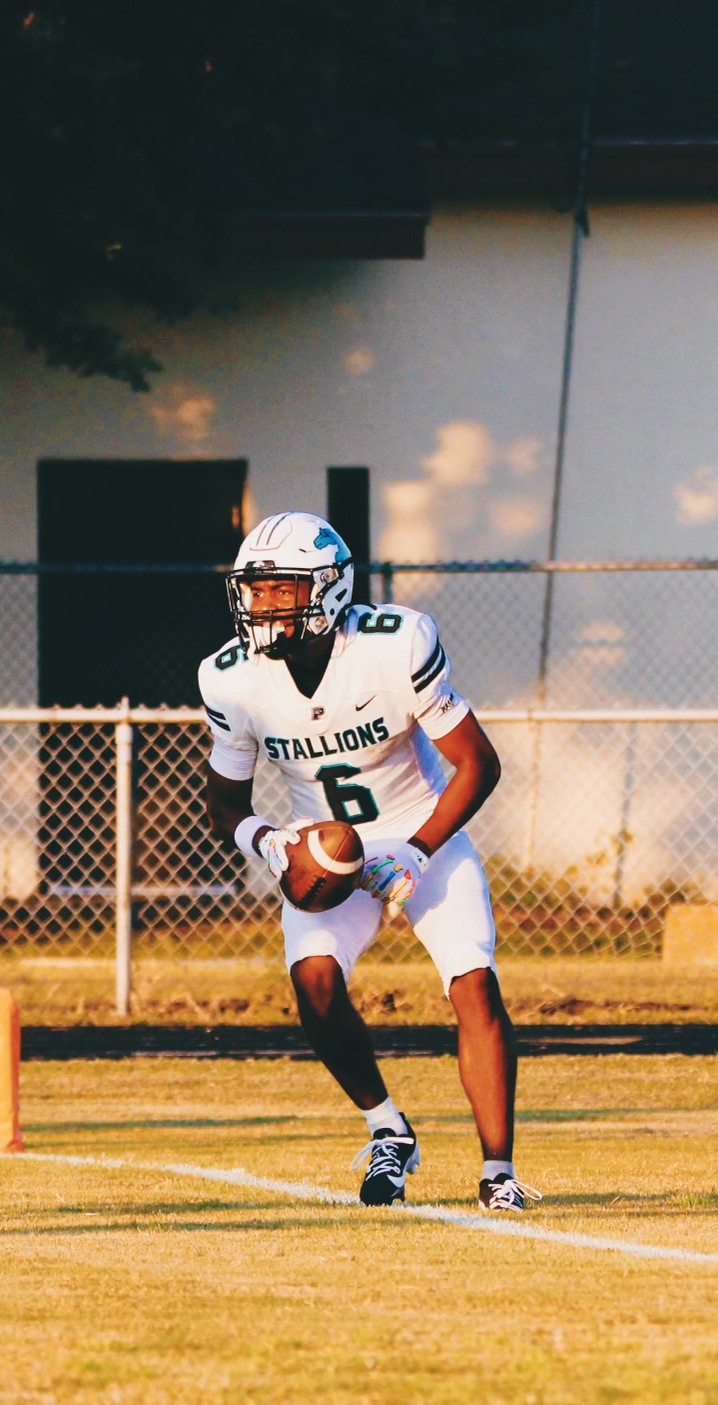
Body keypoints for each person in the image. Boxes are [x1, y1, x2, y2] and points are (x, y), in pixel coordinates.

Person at [199, 510, 535, 1212]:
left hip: (419, 829)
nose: (264, 604)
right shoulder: (230, 678)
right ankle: (388, 1129)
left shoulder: (394, 644)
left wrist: (419, 850)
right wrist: (270, 843)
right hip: (323, 846)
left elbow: (478, 763)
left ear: (328, 588)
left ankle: (498, 1172)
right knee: (314, 985)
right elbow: (226, 805)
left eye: (282, 589)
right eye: (256, 589)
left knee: (473, 982)